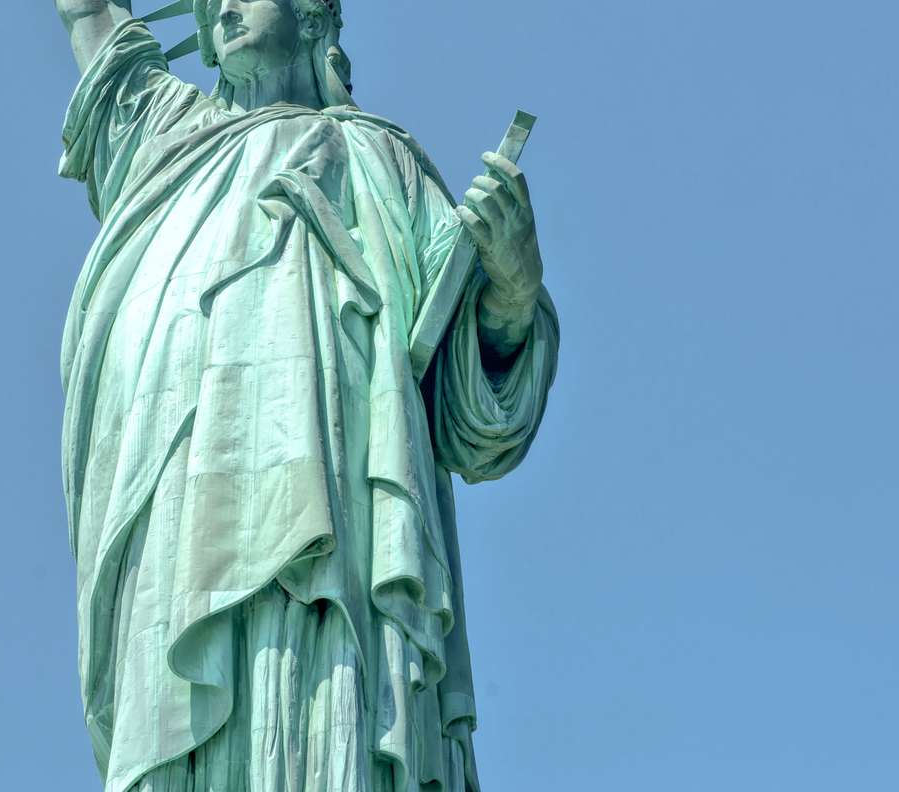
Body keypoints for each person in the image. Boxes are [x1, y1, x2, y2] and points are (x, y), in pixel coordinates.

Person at [52, 1, 559, 789]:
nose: (220, 5)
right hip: (179, 518)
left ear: (315, 16)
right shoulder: (163, 138)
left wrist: (512, 287)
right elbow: (89, 15)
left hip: (342, 510)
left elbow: (471, 415)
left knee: (329, 714)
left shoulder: (382, 160)